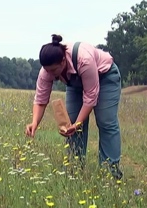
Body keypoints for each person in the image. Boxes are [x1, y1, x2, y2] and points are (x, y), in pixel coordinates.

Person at [24, 34, 123, 180]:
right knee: (70, 125)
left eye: (53, 70)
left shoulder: (84, 60)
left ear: (63, 61)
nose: (50, 74)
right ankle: (74, 170)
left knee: (106, 121)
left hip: (105, 76)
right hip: (75, 83)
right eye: (47, 70)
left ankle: (110, 173)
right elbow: (40, 99)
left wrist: (78, 123)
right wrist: (35, 122)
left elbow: (90, 97)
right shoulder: (46, 71)